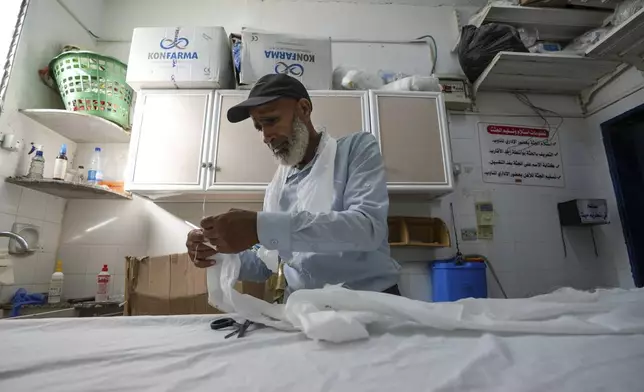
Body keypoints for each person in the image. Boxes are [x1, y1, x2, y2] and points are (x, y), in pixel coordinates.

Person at [186, 74, 401, 295]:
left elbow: (367, 229)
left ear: (304, 109)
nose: (266, 136)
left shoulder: (356, 149)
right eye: (259, 127)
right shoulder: (277, 189)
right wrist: (217, 251)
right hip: (308, 310)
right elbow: (266, 264)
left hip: (372, 303)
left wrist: (260, 227)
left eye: (271, 120)